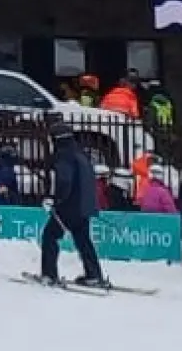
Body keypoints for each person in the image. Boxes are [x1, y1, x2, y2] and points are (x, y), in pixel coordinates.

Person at [38, 122, 106, 288]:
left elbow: (64, 180)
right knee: (83, 240)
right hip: (85, 206)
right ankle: (94, 275)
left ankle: (49, 274)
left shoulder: (63, 155)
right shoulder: (80, 153)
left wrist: (56, 199)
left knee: (50, 236)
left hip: (69, 205)